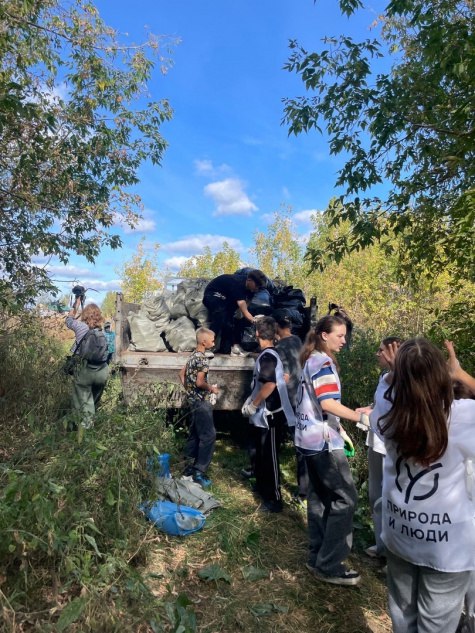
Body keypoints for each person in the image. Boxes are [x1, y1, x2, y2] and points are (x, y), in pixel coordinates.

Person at [375, 338, 475, 633]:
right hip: (447, 547)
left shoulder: (387, 407)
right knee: (436, 626)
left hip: (399, 533)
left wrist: (399, 371)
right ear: (441, 376)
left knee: (402, 614)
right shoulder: (463, 416)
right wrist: (459, 373)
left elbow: (387, 385)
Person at [295, 315, 370, 586]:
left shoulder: (311, 358)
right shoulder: (324, 362)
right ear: (325, 335)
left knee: (319, 498)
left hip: (308, 438)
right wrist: (358, 417)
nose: (344, 340)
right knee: (346, 499)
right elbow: (327, 403)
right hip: (323, 444)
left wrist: (341, 426)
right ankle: (329, 564)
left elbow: (315, 404)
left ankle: (317, 555)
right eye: (339, 335)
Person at [241, 316, 295, 512]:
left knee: (270, 457)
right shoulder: (270, 354)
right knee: (262, 454)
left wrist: (253, 404)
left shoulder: (268, 357)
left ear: (257, 334)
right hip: (264, 414)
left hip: (269, 414)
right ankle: (263, 488)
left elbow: (270, 384)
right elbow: (282, 378)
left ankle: (274, 499)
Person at [363, 336, 402, 560]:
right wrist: (369, 409)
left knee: (391, 499)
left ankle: (395, 552)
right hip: (375, 442)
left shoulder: (406, 381)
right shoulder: (383, 377)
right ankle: (381, 545)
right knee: (375, 495)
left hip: (391, 448)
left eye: (381, 351)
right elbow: (381, 404)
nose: (378, 354)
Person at [274, 309, 308, 505]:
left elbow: (284, 377)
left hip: (288, 400)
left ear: (278, 327)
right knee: (302, 445)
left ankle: (302, 492)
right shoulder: (297, 341)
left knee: (278, 439)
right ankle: (305, 490)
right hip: (302, 397)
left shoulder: (280, 348)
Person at [179, 327, 219, 488]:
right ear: (204, 341)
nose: (214, 342)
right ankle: (199, 472)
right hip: (201, 402)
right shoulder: (202, 359)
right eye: (213, 340)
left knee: (195, 434)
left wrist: (189, 392)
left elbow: (181, 374)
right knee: (209, 436)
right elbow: (200, 382)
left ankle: (187, 470)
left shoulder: (192, 356)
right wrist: (212, 389)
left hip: (192, 401)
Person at [65, 296, 109, 427]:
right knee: (93, 403)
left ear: (85, 315)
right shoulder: (106, 331)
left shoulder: (80, 327)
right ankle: (86, 425)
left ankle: (84, 435)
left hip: (85, 370)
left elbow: (68, 320)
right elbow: (110, 353)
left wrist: (76, 305)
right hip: (102, 371)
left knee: (83, 403)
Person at [202, 269, 267, 355]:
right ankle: (207, 347)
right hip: (212, 294)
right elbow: (244, 310)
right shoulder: (238, 284)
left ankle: (226, 349)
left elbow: (246, 306)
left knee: (230, 322)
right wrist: (254, 320)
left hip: (226, 298)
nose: (257, 289)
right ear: (249, 280)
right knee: (220, 314)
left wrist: (241, 317)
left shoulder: (252, 289)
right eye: (257, 285)